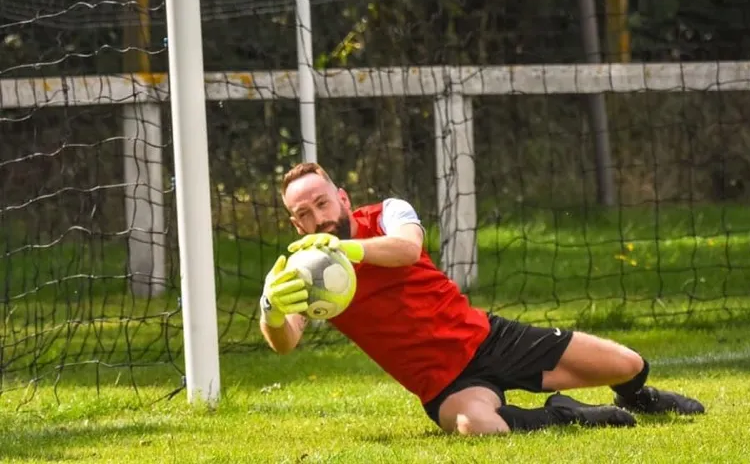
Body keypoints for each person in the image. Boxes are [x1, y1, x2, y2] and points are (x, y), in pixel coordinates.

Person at [259, 162, 705, 436]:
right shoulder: (303, 273)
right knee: (479, 426)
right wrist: (270, 308)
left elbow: (408, 248)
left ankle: (639, 398)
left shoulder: (389, 212)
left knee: (629, 364)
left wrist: (349, 250)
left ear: (342, 198)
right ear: (296, 226)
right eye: (304, 214)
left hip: (487, 338)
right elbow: (285, 341)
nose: (319, 219)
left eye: (322, 204)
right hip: (444, 384)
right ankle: (567, 414)